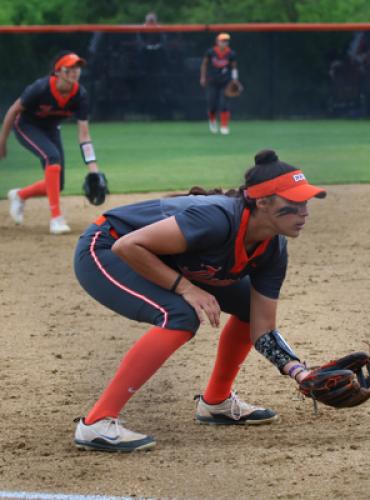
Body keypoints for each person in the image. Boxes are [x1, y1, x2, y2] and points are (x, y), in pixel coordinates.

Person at [73, 150, 327, 452]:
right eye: (294, 203)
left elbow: (262, 328)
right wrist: (185, 288)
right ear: (262, 202)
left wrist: (300, 371)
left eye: (306, 203)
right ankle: (96, 423)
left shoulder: (273, 249)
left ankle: (216, 403)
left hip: (160, 258)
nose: (304, 212)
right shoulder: (217, 220)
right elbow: (128, 245)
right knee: (180, 315)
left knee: (248, 307)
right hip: (106, 246)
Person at [0, 51, 101, 234]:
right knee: (52, 157)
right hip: (26, 125)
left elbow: (84, 135)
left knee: (57, 184)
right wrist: (2, 141)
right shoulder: (41, 88)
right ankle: (56, 218)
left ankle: (19, 195)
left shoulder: (80, 95)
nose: (75, 71)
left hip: (51, 129)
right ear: (58, 71)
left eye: (77, 67)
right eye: (69, 68)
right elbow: (13, 111)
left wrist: (93, 167)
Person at [200, 32, 238, 135]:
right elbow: (204, 64)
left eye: (226, 41)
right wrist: (203, 77)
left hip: (226, 81)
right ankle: (212, 121)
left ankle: (224, 126)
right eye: (222, 41)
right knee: (212, 104)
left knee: (224, 104)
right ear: (217, 41)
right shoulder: (211, 52)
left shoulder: (231, 53)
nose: (224, 43)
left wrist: (235, 79)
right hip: (212, 81)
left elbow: (234, 67)